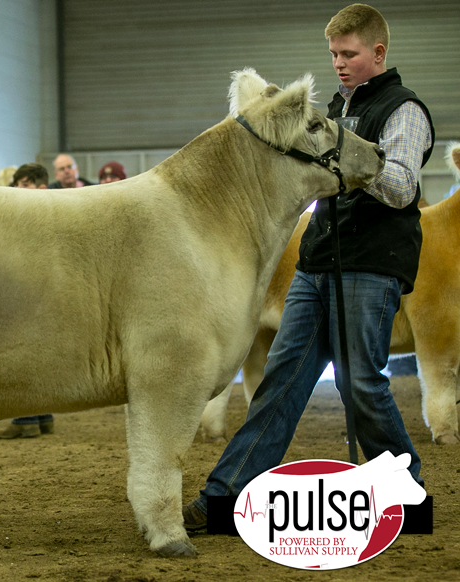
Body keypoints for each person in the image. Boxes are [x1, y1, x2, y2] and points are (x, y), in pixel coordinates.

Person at [182, 3, 434, 532]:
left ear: (378, 52)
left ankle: (405, 496)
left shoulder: (403, 109)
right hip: (317, 260)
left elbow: (403, 187)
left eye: (349, 53)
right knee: (282, 379)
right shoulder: (332, 114)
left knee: (362, 382)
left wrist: (345, 158)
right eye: (333, 55)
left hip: (371, 263)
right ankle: (226, 496)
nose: (339, 64)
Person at [0, 162, 54, 439]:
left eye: (25, 184)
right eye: (17, 183)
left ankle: (25, 418)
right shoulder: (54, 210)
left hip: (29, 291)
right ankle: (43, 416)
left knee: (23, 353)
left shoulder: (32, 213)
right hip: (44, 291)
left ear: (41, 187)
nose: (18, 188)